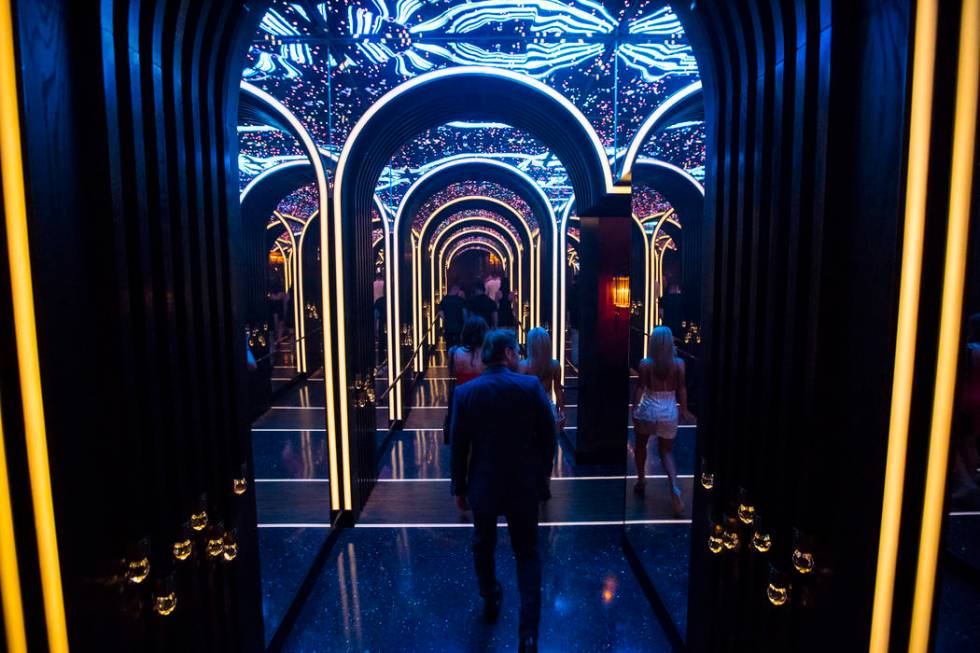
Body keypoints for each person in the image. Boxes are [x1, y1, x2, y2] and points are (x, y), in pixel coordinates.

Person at [451, 330, 556, 653]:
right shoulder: (529, 387)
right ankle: (528, 634)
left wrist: (459, 487)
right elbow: (548, 436)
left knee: (483, 546)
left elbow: (459, 447)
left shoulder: (467, 392)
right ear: (509, 353)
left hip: (483, 483)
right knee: (527, 555)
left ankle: (491, 595)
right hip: (523, 484)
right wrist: (543, 475)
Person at [632, 326, 694, 516]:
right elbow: (682, 389)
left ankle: (642, 480)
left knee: (640, 445)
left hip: (649, 409)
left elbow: (641, 388)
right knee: (666, 452)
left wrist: (634, 407)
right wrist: (683, 409)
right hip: (668, 410)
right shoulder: (679, 364)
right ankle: (674, 489)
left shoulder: (645, 364)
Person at [952, 313, 980, 501]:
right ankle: (970, 480)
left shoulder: (970, 350)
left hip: (967, 401)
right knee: (969, 442)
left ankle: (966, 482)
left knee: (960, 440)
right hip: (976, 401)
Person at [519, 327, 564, 428]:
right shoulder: (555, 365)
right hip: (547, 406)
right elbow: (558, 389)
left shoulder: (523, 366)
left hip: (528, 407)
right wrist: (562, 410)